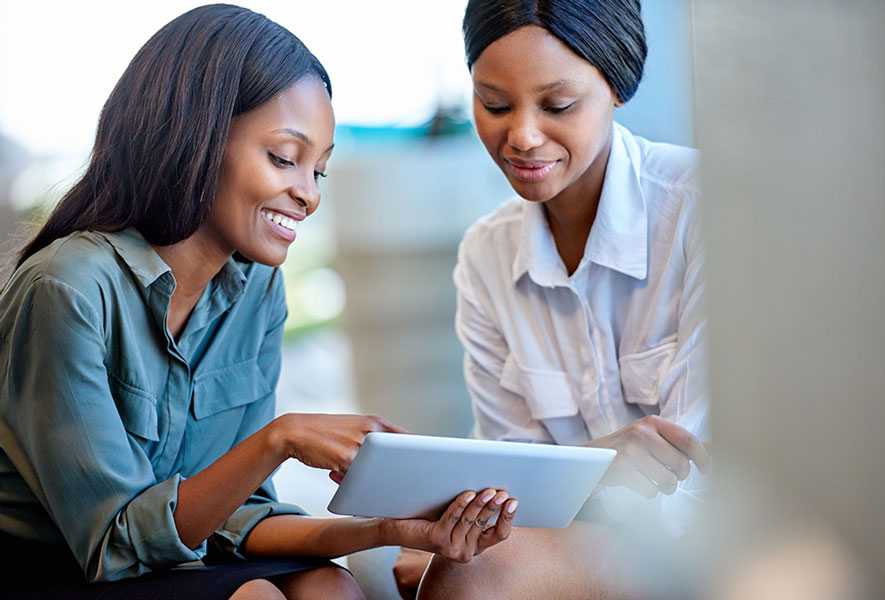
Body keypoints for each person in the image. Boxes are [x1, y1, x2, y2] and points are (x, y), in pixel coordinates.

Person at [0, 5, 516, 599]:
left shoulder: (256, 291)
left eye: (318, 171)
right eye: (283, 157)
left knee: (331, 589)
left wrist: (390, 529)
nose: (306, 195)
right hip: (61, 568)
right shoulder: (67, 289)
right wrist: (280, 438)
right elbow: (115, 545)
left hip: (169, 563)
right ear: (194, 136)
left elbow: (233, 518)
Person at [393, 1, 711, 598]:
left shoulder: (701, 210)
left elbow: (690, 483)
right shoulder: (486, 257)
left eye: (558, 106)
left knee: (475, 574)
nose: (522, 136)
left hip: (706, 541)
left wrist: (571, 487)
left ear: (618, 86)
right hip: (582, 539)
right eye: (493, 104)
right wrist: (473, 527)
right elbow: (510, 474)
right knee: (451, 563)